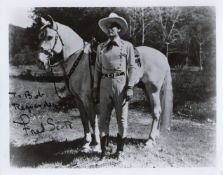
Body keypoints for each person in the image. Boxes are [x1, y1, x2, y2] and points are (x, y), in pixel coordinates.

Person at [92, 12, 137, 160]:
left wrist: (130, 87)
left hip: (121, 84)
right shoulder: (101, 47)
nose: (110, 29)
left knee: (122, 119)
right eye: (108, 27)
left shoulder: (127, 46)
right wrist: (95, 88)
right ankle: (103, 152)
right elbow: (97, 69)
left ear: (118, 29)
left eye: (113, 26)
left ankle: (120, 151)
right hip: (104, 84)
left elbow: (132, 67)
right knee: (103, 118)